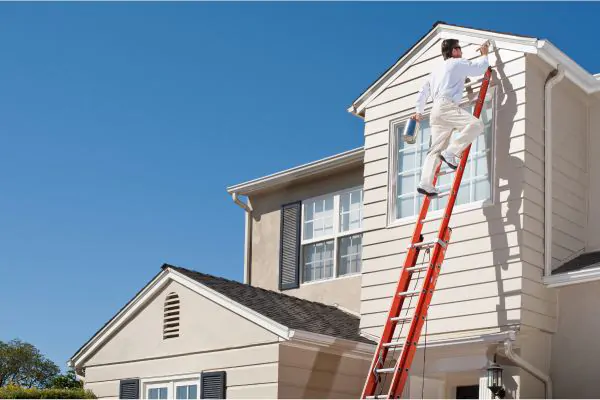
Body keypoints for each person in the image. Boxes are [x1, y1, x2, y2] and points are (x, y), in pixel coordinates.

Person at [413, 39, 490, 197]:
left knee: (435, 150)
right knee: (476, 125)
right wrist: (484, 54)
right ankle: (452, 152)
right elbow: (480, 68)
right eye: (459, 48)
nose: (461, 51)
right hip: (447, 106)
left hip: (435, 111)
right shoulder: (457, 63)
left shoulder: (435, 71)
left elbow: (423, 91)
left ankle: (425, 183)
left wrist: (419, 111)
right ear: (454, 51)